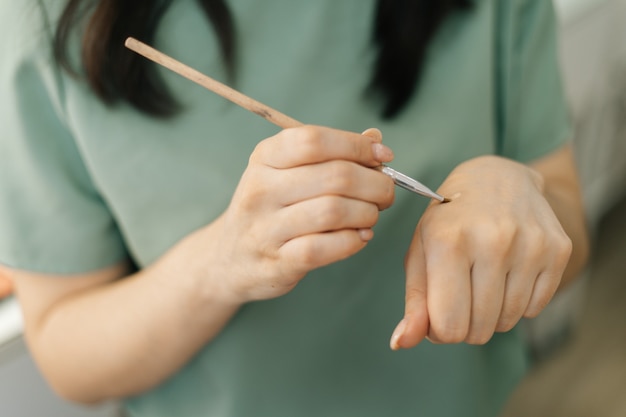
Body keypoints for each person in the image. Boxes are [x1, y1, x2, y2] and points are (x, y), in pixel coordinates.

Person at [0, 0, 589, 416]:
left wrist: (521, 192)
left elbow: (567, 223)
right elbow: (65, 352)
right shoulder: (41, 28)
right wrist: (219, 263)